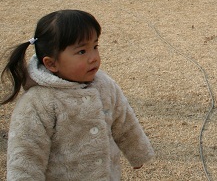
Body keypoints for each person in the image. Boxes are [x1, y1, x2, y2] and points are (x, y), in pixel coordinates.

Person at [1, 10, 155, 180]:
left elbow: (124, 121)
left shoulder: (104, 84)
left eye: (95, 47)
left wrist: (137, 152)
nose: (94, 57)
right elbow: (25, 156)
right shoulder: (37, 103)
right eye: (82, 51)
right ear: (51, 63)